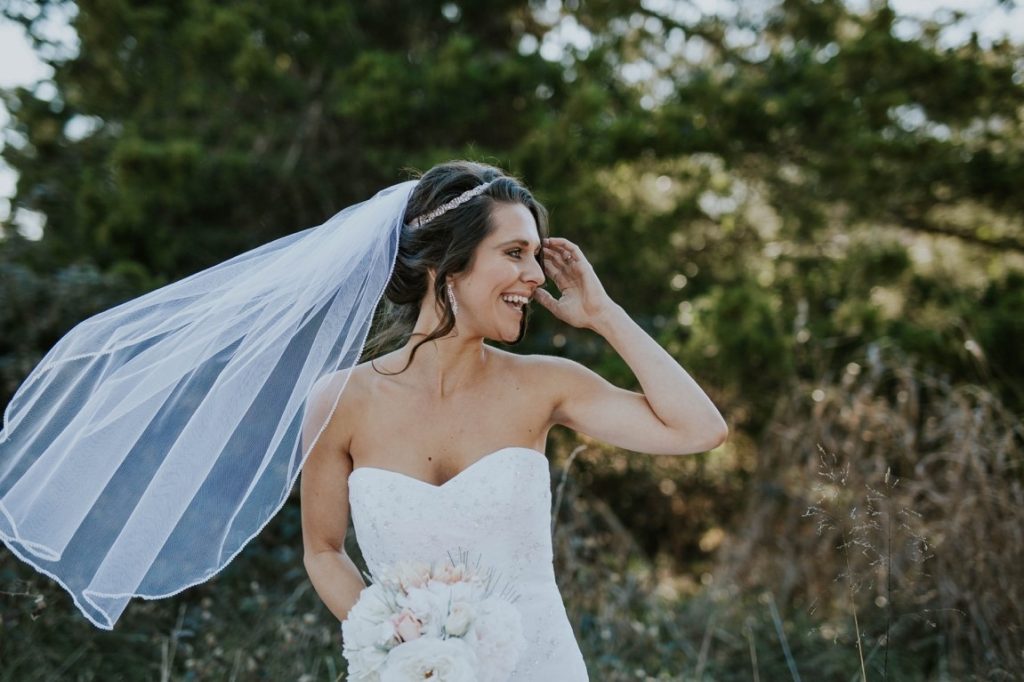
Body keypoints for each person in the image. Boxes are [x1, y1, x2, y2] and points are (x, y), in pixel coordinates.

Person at [299, 160, 729, 679]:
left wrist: (603, 315)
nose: (537, 274)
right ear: (448, 263)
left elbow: (700, 430)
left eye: (535, 254)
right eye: (514, 253)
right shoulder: (340, 400)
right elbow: (323, 551)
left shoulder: (545, 386)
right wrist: (402, 649)